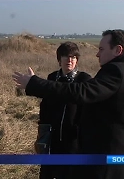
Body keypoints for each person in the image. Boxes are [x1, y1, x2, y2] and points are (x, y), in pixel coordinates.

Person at [12, 29, 124, 179]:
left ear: (118, 50)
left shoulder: (117, 71)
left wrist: (34, 83)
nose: (97, 54)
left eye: (102, 49)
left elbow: (81, 92)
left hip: (106, 167)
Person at [35, 42, 91, 179]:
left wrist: (79, 134)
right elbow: (45, 107)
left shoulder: (84, 80)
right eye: (65, 56)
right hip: (52, 138)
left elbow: (88, 112)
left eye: (73, 57)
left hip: (73, 140)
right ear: (59, 60)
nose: (69, 60)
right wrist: (42, 133)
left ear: (77, 60)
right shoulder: (52, 78)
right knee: (48, 173)